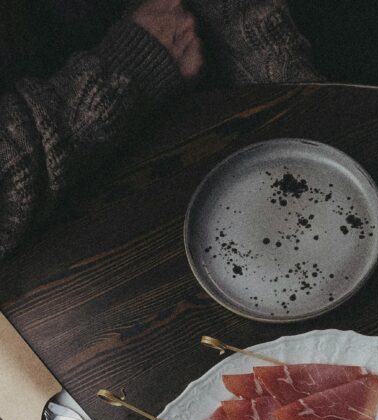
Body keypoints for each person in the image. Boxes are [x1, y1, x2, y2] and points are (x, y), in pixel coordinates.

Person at [0, 0, 319, 260]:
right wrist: (130, 66)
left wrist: (294, 101)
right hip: (46, 261)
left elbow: (231, 17)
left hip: (204, 150)